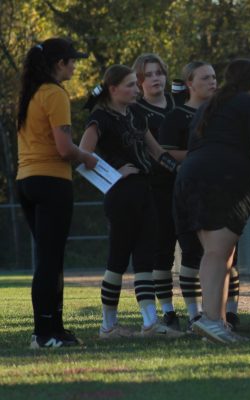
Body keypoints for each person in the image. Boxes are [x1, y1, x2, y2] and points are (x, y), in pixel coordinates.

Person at [174, 59, 250, 344]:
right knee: (216, 255)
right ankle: (210, 320)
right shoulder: (249, 104)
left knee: (219, 254)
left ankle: (216, 323)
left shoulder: (209, 107)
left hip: (191, 178)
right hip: (222, 181)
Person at [79, 64, 184, 339]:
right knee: (118, 257)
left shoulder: (136, 112)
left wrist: (183, 171)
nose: (136, 89)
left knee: (145, 257)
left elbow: (156, 151)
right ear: (113, 89)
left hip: (144, 189)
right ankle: (108, 325)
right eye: (130, 85)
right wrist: (115, 173)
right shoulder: (99, 118)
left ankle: (150, 322)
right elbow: (83, 155)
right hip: (121, 194)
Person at [16, 38, 97, 349]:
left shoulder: (31, 94)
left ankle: (55, 329)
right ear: (58, 63)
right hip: (51, 182)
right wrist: (87, 158)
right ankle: (43, 333)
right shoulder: (54, 94)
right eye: (71, 61)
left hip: (28, 181)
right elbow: (64, 149)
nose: (75, 66)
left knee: (51, 259)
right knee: (51, 261)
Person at [159, 61, 216, 329]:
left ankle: (226, 312)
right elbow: (166, 153)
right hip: (187, 191)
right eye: (205, 78)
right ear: (190, 83)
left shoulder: (222, 113)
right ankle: (194, 313)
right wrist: (203, 157)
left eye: (214, 77)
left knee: (225, 253)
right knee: (192, 253)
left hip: (219, 191)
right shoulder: (176, 116)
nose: (212, 82)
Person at [131, 53, 182, 329]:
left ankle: (201, 311)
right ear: (138, 82)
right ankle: (168, 309)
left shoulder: (180, 105)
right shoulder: (135, 111)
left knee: (194, 249)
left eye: (159, 73)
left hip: (186, 186)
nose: (155, 79)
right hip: (155, 188)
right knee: (162, 251)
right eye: (148, 75)